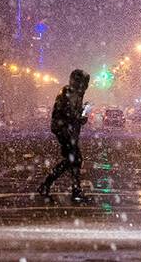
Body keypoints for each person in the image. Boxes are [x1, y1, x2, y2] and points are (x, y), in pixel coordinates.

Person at [37, 69, 91, 202]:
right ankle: (71, 189)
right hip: (64, 131)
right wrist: (78, 118)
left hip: (70, 131)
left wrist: (81, 115)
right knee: (75, 160)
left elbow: (73, 114)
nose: (84, 86)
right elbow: (65, 114)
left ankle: (50, 185)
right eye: (82, 83)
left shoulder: (77, 93)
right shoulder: (67, 93)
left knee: (73, 161)